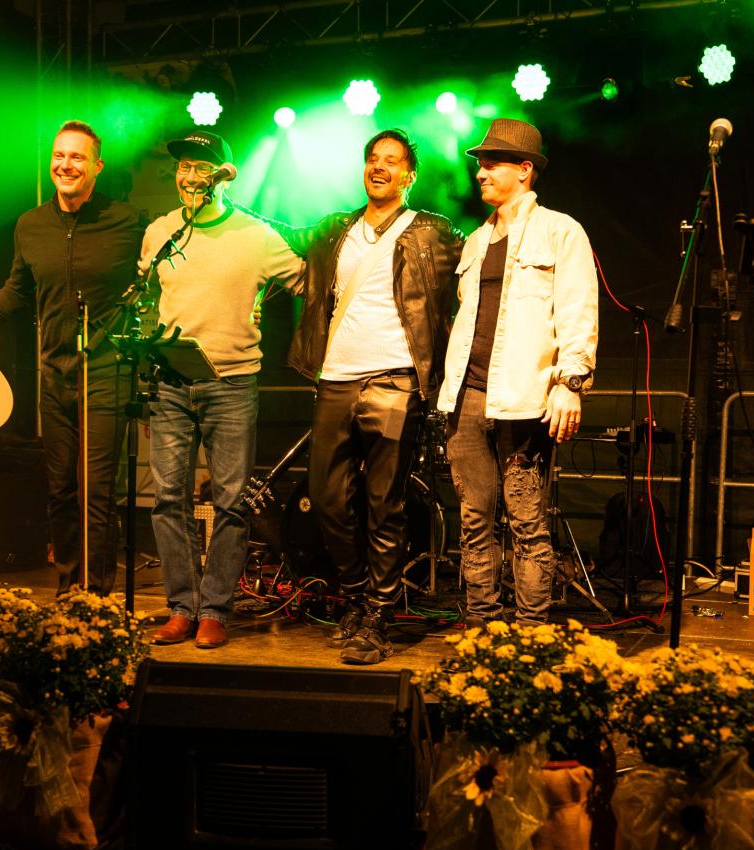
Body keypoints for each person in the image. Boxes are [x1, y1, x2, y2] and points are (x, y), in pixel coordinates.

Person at [0, 120, 144, 596]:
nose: (65, 165)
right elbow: (18, 290)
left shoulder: (128, 222)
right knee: (61, 490)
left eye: (77, 157)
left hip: (107, 372)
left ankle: (98, 596)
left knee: (96, 491)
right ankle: (69, 590)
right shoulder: (31, 226)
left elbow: (159, 278)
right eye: (59, 155)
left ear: (97, 166)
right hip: (54, 374)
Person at [285, 129, 463, 664]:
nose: (379, 166)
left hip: (395, 379)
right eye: (372, 158)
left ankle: (379, 615)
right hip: (336, 377)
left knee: (385, 502)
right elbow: (279, 238)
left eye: (391, 160)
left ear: (410, 175)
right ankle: (358, 596)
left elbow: (477, 272)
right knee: (328, 497)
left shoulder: (432, 231)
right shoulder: (334, 230)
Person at [144, 131, 303, 649]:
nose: (189, 176)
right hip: (171, 383)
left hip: (232, 384)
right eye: (183, 166)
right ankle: (181, 607)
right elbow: (147, 297)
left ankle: (214, 609)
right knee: (168, 499)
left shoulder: (256, 235)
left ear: (224, 176)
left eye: (201, 167)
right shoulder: (160, 232)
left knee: (231, 502)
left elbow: (308, 283)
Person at [437, 118, 599, 627]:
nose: (480, 173)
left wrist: (571, 383)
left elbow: (578, 309)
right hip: (467, 397)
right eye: (480, 165)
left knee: (527, 523)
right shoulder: (474, 241)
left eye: (492, 164)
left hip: (524, 399)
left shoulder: (560, 230)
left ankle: (530, 634)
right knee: (474, 522)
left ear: (525, 169)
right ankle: (481, 626)